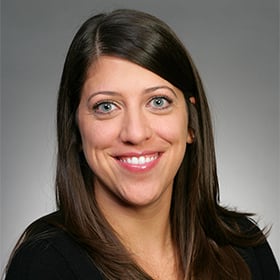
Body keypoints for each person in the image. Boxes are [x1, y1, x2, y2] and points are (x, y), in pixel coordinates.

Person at [4, 9, 279, 280]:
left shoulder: (244, 248)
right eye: (106, 106)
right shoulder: (43, 265)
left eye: (158, 102)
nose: (135, 133)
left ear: (191, 124)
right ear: (75, 130)